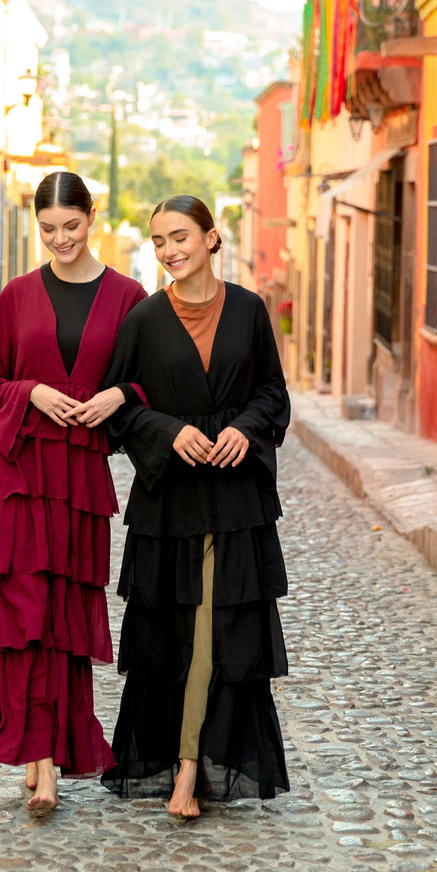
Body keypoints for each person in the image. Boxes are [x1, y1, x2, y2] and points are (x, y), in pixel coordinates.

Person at [100, 194, 290, 818]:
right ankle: (186, 763)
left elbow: (272, 392)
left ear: (212, 238)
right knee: (177, 634)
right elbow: (118, 407)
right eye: (158, 242)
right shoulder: (144, 320)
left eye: (180, 236)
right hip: (171, 502)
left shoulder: (250, 311)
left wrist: (246, 427)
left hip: (238, 500)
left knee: (220, 629)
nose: (169, 250)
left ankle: (191, 768)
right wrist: (166, 430)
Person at [0, 170, 146, 812]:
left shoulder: (128, 298)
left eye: (71, 226)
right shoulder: (16, 296)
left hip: (79, 484)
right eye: (47, 229)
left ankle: (53, 752)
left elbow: (152, 382)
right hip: (18, 478)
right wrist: (30, 391)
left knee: (64, 623)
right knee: (25, 619)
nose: (60, 239)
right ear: (35, 226)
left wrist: (116, 395)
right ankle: (39, 760)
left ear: (91, 219)